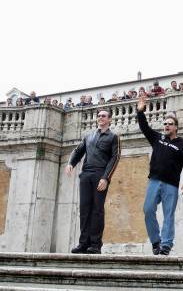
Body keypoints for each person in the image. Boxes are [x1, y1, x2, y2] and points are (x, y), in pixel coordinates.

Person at [137, 95, 183, 256]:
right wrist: (140, 111)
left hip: (171, 185)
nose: (166, 126)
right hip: (154, 181)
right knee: (148, 210)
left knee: (169, 215)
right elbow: (144, 127)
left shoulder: (182, 145)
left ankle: (166, 244)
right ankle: (156, 241)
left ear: (176, 127)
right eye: (165, 124)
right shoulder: (157, 138)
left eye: (170, 124)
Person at [65, 108, 121, 254]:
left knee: (97, 210)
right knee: (84, 210)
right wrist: (71, 163)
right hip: (86, 175)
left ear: (109, 119)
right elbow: (78, 151)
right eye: (99, 116)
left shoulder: (113, 137)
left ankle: (95, 244)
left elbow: (115, 158)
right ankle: (83, 243)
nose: (100, 118)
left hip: (100, 175)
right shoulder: (89, 136)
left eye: (104, 116)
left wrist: (106, 178)